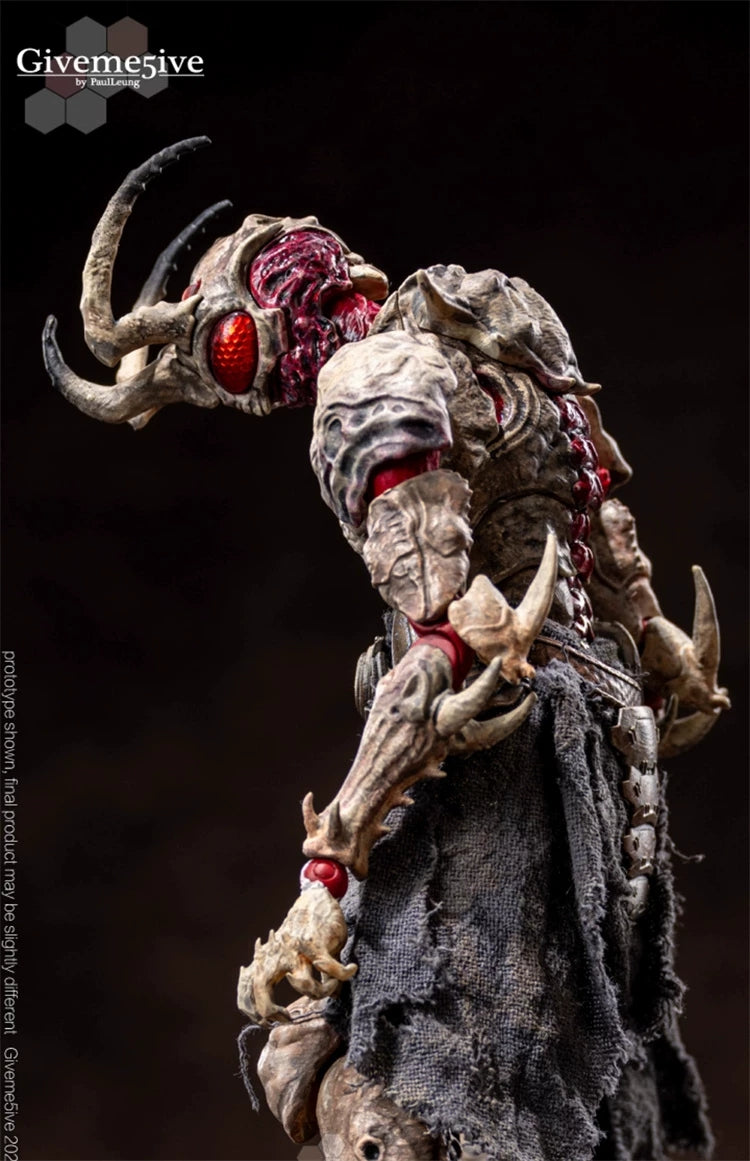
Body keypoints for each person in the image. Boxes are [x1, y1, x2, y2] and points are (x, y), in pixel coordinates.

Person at [44, 139, 728, 1161]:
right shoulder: (488, 328)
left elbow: (451, 642)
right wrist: (653, 638)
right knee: (554, 1085)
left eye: (225, 350)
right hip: (606, 744)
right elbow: (590, 505)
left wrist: (323, 882)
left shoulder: (373, 380)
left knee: (386, 1085)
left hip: (515, 772)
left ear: (264, 325)